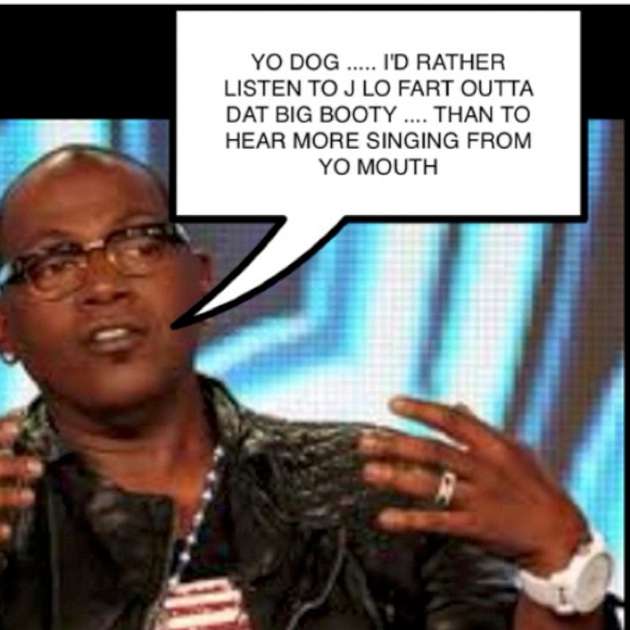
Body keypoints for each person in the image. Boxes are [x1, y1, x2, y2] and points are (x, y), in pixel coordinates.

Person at [0, 145, 621, 630]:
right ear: (5, 329)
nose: (103, 283)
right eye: (54, 264)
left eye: (139, 243)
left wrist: (560, 567)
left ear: (202, 281)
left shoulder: (383, 492)